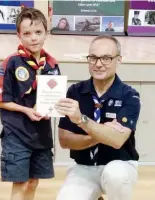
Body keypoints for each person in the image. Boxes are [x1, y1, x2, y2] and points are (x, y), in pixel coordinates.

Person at [55, 35, 140, 200]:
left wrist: (82, 120)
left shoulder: (130, 96)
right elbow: (65, 141)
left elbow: (117, 140)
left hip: (120, 164)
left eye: (106, 58)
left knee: (115, 175)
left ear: (118, 60)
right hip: (84, 167)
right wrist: (103, 133)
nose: (98, 64)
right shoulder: (75, 92)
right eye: (93, 58)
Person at [0, 7, 61, 200]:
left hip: (41, 133)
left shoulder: (52, 65)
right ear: (19, 36)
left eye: (38, 32)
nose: (33, 38)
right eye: (27, 33)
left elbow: (52, 97)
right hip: (17, 134)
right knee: (20, 182)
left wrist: (53, 108)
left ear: (46, 33)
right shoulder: (11, 63)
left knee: (33, 181)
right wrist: (26, 110)